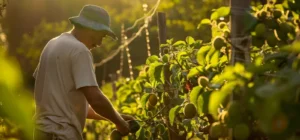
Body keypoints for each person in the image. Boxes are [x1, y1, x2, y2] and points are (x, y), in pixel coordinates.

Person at [32, 5, 134, 140]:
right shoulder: (79, 50)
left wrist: (116, 116)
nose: (99, 43)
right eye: (102, 36)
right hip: (61, 134)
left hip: (41, 132)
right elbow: (95, 99)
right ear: (91, 28)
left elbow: (74, 107)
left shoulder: (52, 44)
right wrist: (120, 124)